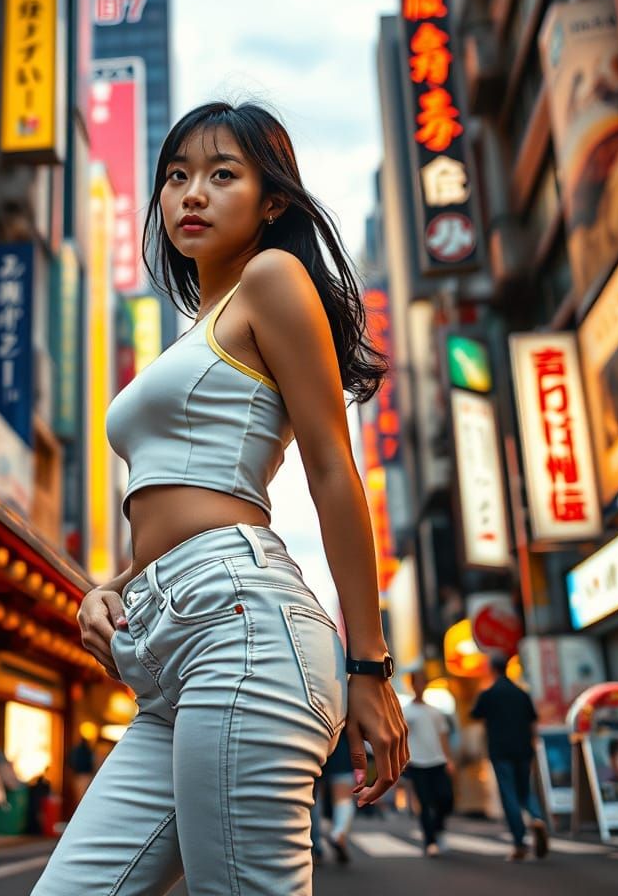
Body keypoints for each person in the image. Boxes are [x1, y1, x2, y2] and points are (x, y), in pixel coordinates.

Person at [31, 101, 408, 896]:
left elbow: (333, 468)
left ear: (272, 201)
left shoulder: (272, 280)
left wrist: (369, 664)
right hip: (167, 646)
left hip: (240, 628)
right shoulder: (195, 327)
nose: (190, 194)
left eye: (220, 175)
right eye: (176, 177)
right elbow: (183, 495)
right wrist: (113, 587)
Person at [470, 655, 548, 862]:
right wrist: (532, 745)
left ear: (492, 669)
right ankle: (537, 818)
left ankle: (519, 843)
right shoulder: (522, 694)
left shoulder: (489, 694)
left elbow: (475, 714)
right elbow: (533, 723)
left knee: (509, 794)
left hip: (501, 750)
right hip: (523, 749)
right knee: (525, 790)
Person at [403, 670, 454, 857]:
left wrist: (449, 758)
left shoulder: (435, 712)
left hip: (438, 761)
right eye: (417, 682)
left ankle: (438, 828)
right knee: (424, 802)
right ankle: (430, 841)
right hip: (417, 763)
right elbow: (402, 737)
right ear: (413, 685)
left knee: (446, 799)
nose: (420, 686)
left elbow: (443, 736)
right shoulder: (406, 712)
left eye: (423, 682)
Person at [319, 729, 356, 862]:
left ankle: (316, 845)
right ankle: (338, 835)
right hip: (341, 749)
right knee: (343, 799)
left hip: (314, 744)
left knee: (314, 798)